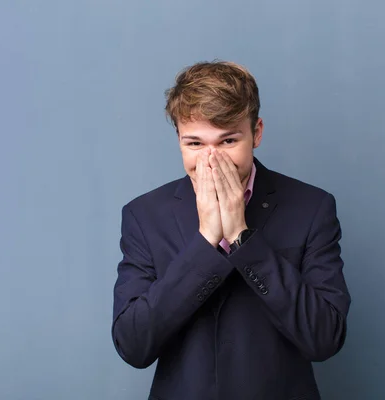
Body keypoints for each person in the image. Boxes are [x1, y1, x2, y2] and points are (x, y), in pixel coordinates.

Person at [111, 60, 351, 400]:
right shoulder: (144, 215)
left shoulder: (312, 208)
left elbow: (324, 338)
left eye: (227, 142)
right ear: (179, 138)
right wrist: (205, 242)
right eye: (194, 144)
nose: (211, 160)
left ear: (257, 132)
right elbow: (133, 345)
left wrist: (242, 235)